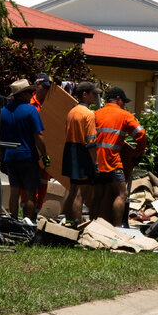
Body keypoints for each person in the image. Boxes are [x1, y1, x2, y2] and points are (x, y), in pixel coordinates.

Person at [93, 87, 147, 226]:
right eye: (124, 102)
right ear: (118, 99)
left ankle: (92, 226)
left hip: (96, 162)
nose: (124, 105)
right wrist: (138, 153)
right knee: (122, 194)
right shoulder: (124, 115)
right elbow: (141, 134)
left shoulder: (96, 114)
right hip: (113, 162)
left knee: (98, 195)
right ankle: (117, 228)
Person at [0, 78, 49, 222]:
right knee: (30, 193)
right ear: (22, 94)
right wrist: (45, 154)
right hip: (28, 157)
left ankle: (14, 220)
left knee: (14, 192)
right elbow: (38, 136)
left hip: (10, 157)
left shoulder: (3, 111)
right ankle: (28, 221)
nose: (31, 94)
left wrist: (2, 158)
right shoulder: (30, 110)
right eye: (29, 92)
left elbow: (0, 137)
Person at [62, 82, 100, 225]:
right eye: (93, 94)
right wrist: (95, 163)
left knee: (72, 191)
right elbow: (91, 141)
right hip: (82, 155)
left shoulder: (71, 111)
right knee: (80, 193)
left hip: (70, 151)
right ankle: (77, 225)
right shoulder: (88, 114)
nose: (95, 97)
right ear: (84, 94)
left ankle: (68, 223)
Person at [29, 72, 54, 210]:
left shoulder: (52, 107)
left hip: (46, 150)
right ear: (37, 85)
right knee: (29, 183)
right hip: (32, 150)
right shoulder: (29, 104)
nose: (47, 91)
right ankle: (26, 210)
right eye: (45, 87)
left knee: (44, 181)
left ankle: (37, 209)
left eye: (49, 88)